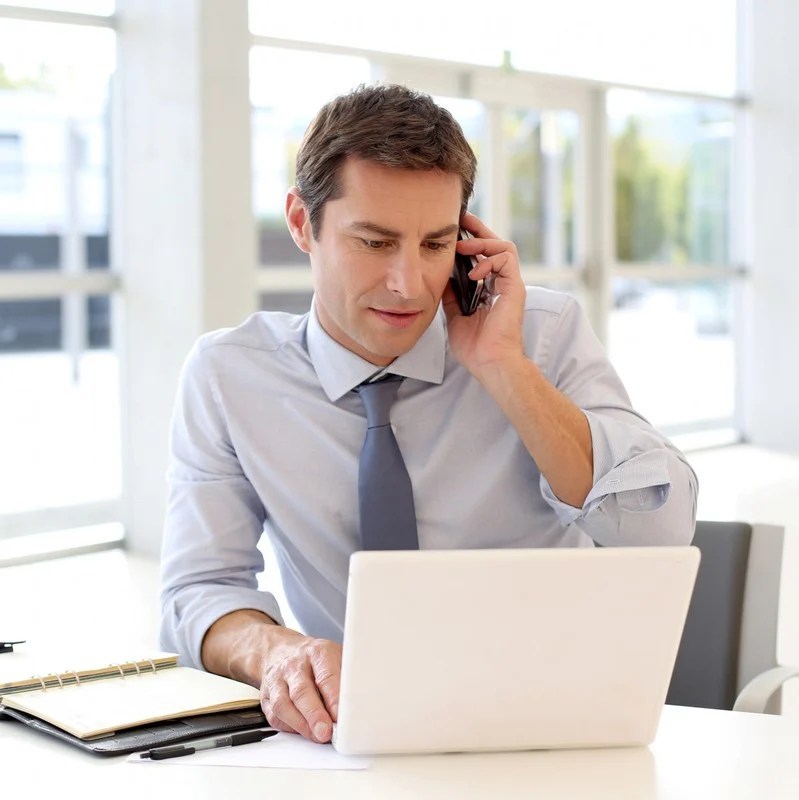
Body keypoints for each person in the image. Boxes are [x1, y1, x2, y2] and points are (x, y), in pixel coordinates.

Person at [160, 83, 698, 745]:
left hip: (550, 729)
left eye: (435, 244)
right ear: (302, 224)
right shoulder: (228, 376)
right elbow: (198, 591)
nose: (408, 283)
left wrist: (503, 367)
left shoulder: (541, 335)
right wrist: (279, 654)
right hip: (352, 737)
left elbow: (660, 528)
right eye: (375, 243)